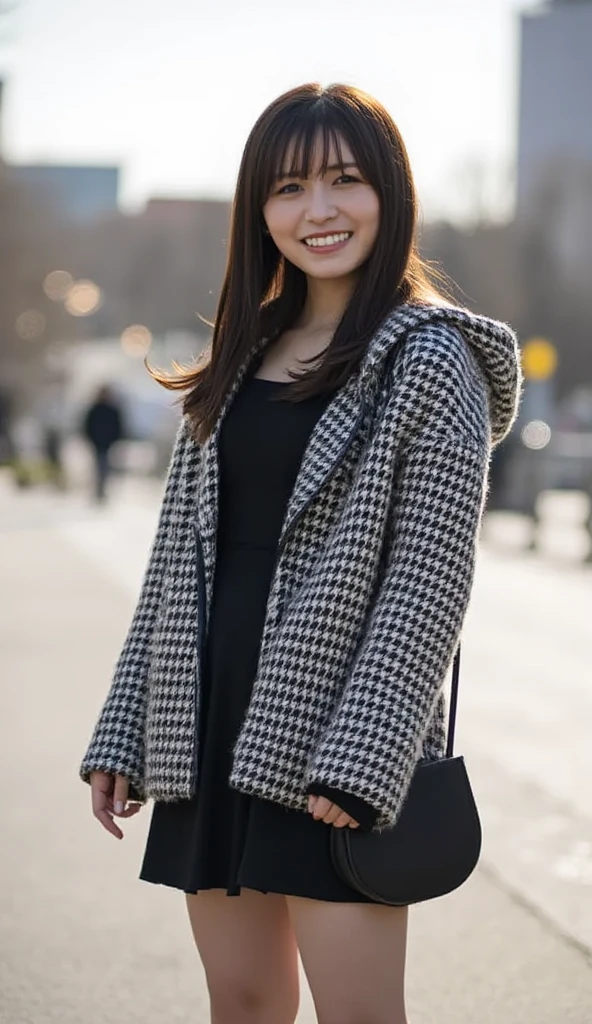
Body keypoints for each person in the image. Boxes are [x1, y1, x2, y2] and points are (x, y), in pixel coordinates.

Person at [80, 83, 522, 1024]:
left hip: (332, 734)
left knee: (358, 1013)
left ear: (390, 192)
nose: (316, 210)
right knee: (241, 1003)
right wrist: (123, 728)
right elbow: (173, 569)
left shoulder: (429, 362)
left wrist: (365, 759)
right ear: (260, 210)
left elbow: (430, 581)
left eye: (344, 180)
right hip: (205, 720)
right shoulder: (242, 356)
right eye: (287, 189)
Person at [81, 384, 124, 502]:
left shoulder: (112, 409)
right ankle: (99, 490)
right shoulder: (94, 409)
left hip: (108, 443)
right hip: (97, 443)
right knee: (99, 466)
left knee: (105, 467)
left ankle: (101, 489)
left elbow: (118, 426)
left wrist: (115, 439)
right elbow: (87, 425)